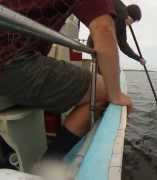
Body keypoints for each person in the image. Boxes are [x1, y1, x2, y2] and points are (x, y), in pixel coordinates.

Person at [0, 0, 133, 156]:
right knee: (102, 92)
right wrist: (115, 94)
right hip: (9, 59)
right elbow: (103, 29)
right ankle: (50, 165)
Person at [88, 0, 146, 65]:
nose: (131, 24)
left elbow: (123, 46)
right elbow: (116, 3)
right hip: (95, 40)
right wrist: (125, 15)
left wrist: (138, 58)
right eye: (133, 21)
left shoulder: (122, 25)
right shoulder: (119, 8)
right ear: (131, 17)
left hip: (102, 47)